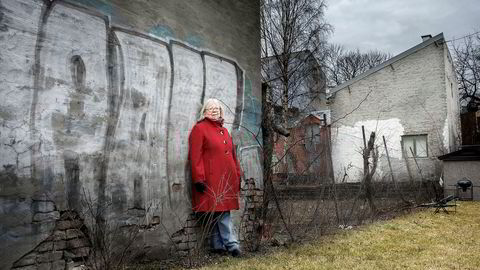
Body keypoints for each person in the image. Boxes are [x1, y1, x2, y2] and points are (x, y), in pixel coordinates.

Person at [188, 98, 242, 257]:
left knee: (219, 211)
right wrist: (198, 178)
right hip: (212, 179)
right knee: (222, 211)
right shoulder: (200, 129)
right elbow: (195, 156)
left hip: (227, 178)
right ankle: (232, 245)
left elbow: (232, 155)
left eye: (217, 108)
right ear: (204, 112)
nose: (214, 110)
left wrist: (238, 174)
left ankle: (217, 245)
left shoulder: (224, 130)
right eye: (210, 108)